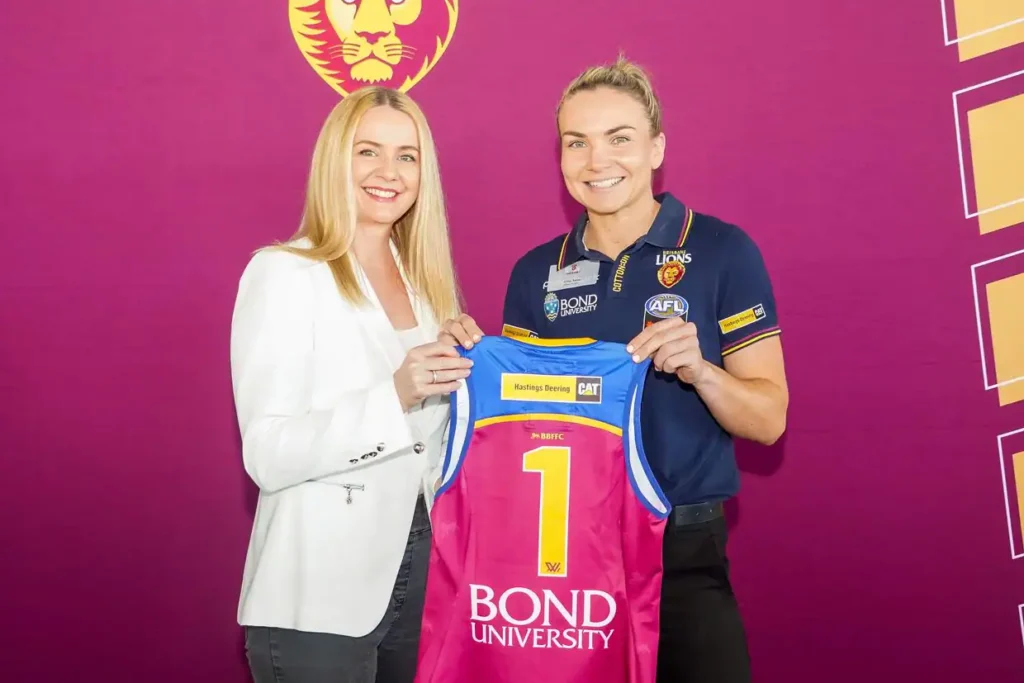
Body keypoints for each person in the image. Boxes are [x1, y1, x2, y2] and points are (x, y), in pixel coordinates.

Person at [438, 56, 789, 683]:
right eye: (578, 142)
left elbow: (768, 421)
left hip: (683, 548)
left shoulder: (721, 250)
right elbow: (515, 427)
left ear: (657, 148)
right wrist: (464, 365)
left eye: (619, 139)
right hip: (564, 563)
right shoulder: (536, 272)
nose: (597, 161)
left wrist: (702, 372)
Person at [229, 86, 471, 683]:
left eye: (407, 156)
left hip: (419, 578)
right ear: (337, 161)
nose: (389, 172)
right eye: (369, 152)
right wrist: (396, 393)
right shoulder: (284, 272)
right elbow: (267, 453)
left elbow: (432, 447)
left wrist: (472, 371)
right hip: (316, 595)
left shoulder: (428, 288)